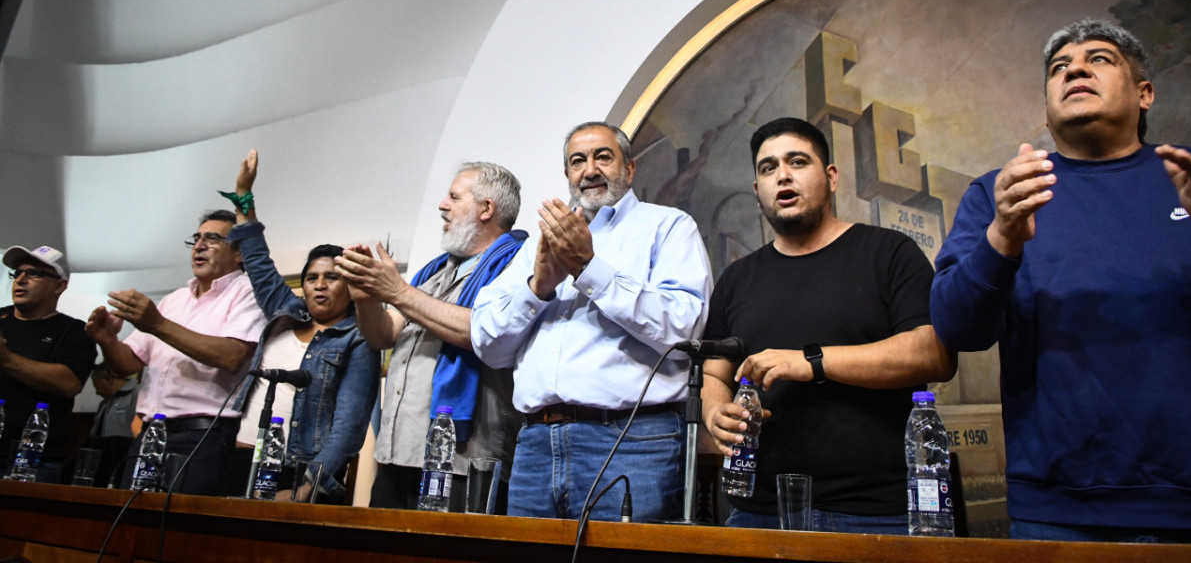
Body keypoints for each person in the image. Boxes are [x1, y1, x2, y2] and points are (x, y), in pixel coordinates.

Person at [930, 19, 1191, 542]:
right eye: (1060, 67)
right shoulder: (1001, 194)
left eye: (1099, 58)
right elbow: (957, 328)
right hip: (1057, 513)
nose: (1075, 67)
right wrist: (1003, 237)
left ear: (1144, 94)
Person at [700, 117, 956, 534]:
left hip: (875, 514)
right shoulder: (737, 278)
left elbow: (935, 354)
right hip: (757, 515)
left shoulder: (889, 253)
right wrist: (714, 410)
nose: (782, 175)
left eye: (797, 162)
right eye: (768, 168)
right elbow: (714, 370)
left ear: (831, 176)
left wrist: (812, 361)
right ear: (757, 191)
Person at [471, 121, 712, 522]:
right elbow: (489, 346)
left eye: (603, 156)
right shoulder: (536, 244)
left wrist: (589, 267)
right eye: (577, 161)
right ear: (568, 175)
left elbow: (684, 329)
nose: (590, 170)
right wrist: (538, 288)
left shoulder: (667, 227)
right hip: (534, 445)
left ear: (629, 169)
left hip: (631, 443)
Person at [335, 161, 527, 510]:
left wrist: (397, 292)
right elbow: (386, 334)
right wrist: (365, 300)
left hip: (462, 461)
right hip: (399, 450)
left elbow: (479, 331)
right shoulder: (436, 269)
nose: (442, 205)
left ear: (486, 209)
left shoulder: (517, 264)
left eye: (454, 197)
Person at [221, 150, 379, 502]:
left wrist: (309, 485)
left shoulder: (358, 338)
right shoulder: (287, 311)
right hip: (242, 455)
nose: (319, 285)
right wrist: (243, 194)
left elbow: (348, 427)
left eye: (332, 277)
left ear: (350, 287)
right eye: (311, 278)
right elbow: (258, 262)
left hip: (298, 470)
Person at [85, 210, 267, 495]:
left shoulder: (248, 292)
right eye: (196, 238)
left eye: (213, 239)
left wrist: (157, 324)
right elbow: (126, 364)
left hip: (202, 437)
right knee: (129, 526)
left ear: (240, 254)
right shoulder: (174, 300)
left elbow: (231, 356)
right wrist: (107, 340)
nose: (199, 245)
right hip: (148, 434)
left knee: (179, 531)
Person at [0, 245, 96, 483]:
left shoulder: (74, 332)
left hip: (33, 460)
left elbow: (69, 383)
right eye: (17, 273)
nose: (21, 279)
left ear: (60, 285)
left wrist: (7, 359)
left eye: (33, 273)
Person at [89, 363, 139, 439]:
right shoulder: (104, 404)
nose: (97, 392)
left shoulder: (138, 395)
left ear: (108, 379)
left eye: (97, 386)